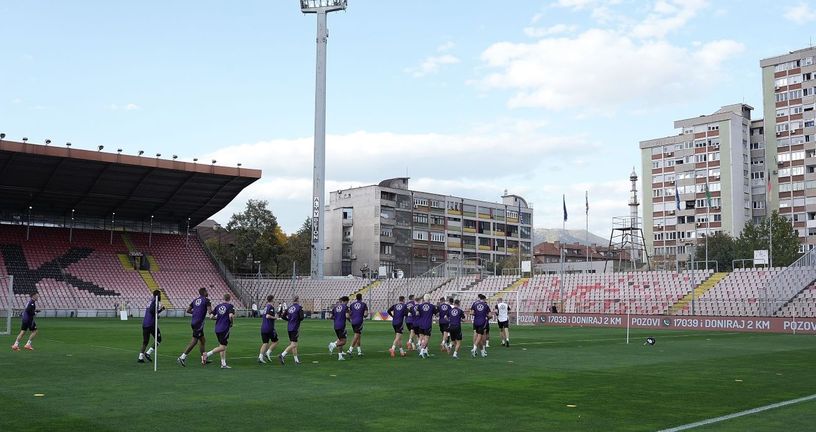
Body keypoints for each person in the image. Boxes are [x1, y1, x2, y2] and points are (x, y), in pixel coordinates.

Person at [177, 287, 213, 367]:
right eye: (206, 291)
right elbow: (210, 312)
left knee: (202, 340)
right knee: (194, 341)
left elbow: (188, 310)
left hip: (194, 322)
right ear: (204, 292)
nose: (208, 292)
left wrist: (196, 312)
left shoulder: (195, 300)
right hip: (199, 323)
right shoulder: (207, 300)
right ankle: (182, 357)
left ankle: (204, 358)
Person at [202, 293, 235, 369]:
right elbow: (230, 315)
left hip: (217, 328)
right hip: (224, 328)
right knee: (223, 347)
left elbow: (210, 317)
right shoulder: (230, 306)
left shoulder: (218, 306)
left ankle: (223, 364)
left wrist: (218, 319)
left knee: (222, 345)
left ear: (223, 298)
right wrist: (231, 323)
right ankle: (207, 354)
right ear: (229, 299)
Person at [138, 290, 165, 363]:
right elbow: (152, 311)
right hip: (151, 324)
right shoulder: (155, 302)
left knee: (145, 341)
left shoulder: (150, 301)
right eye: (160, 295)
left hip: (145, 324)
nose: (160, 296)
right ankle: (148, 353)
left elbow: (151, 311)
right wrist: (158, 313)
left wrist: (159, 311)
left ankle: (140, 357)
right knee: (159, 339)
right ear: (158, 295)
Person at [278, 296, 305, 365]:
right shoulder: (299, 307)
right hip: (295, 327)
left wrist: (289, 320)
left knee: (293, 344)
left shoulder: (289, 308)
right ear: (298, 300)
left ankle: (296, 360)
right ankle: (282, 355)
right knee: (294, 344)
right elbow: (302, 317)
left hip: (289, 327)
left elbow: (283, 316)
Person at [258, 295, 279, 364]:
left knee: (265, 343)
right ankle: (268, 353)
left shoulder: (266, 307)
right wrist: (275, 318)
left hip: (263, 327)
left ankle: (260, 357)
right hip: (269, 328)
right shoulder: (271, 307)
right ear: (272, 299)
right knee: (275, 341)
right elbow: (267, 316)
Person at [328, 296, 350, 360]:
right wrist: (350, 320)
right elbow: (347, 316)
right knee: (344, 341)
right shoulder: (345, 307)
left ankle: (340, 356)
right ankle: (333, 345)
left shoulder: (335, 307)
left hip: (335, 326)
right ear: (346, 301)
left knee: (340, 340)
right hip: (341, 326)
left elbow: (331, 317)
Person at [416, 294, 437, 359]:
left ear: (424, 299)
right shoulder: (432, 306)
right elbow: (436, 314)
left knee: (422, 337)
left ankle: (424, 350)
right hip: (427, 324)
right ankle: (422, 351)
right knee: (427, 338)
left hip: (421, 323)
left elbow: (417, 313)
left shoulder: (420, 306)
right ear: (429, 299)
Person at [470, 294, 491, 358]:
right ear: (484, 299)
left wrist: (477, 314)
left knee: (476, 335)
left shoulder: (475, 304)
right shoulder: (485, 305)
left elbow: (471, 313)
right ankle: (474, 348)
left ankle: (482, 352)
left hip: (476, 321)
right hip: (483, 322)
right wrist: (486, 316)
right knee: (480, 336)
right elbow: (490, 315)